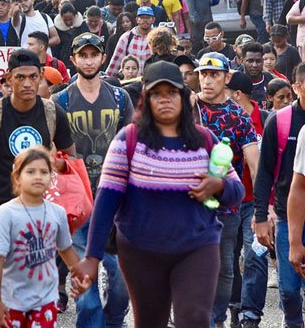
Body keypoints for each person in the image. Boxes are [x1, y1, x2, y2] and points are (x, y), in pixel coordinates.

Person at [72, 61, 245, 327]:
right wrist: (92, 258)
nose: (165, 99)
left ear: (184, 96)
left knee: (195, 319)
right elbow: (106, 201)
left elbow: (237, 192)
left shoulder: (205, 140)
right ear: (146, 99)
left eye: (172, 92)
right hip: (141, 250)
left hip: (197, 248)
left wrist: (218, 185)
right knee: (151, 322)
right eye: (156, 94)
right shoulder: (128, 141)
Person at [0, 49, 75, 262]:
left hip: (40, 213)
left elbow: (72, 164)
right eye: (20, 77)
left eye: (33, 77)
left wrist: (54, 162)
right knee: (3, 284)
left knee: (34, 283)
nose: (27, 83)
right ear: (9, 78)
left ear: (41, 77)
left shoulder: (53, 113)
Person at [52, 32, 133, 325]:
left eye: (94, 55)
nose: (88, 61)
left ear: (102, 58)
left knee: (122, 278)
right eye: (82, 55)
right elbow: (50, 150)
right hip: (75, 202)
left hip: (113, 200)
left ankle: (114, 321)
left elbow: (131, 143)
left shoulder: (120, 97)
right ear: (73, 59)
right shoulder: (59, 100)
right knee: (84, 289)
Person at [0, 146, 91, 328]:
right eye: (30, 171)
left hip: (46, 300)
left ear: (51, 177)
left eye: (44, 172)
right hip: (12, 301)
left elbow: (66, 249)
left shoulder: (58, 212)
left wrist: (80, 276)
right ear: (17, 177)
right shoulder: (6, 213)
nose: (38, 176)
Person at [194, 52, 260, 327]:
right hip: (188, 202)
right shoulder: (187, 109)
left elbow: (254, 165)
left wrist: (261, 210)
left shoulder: (239, 117)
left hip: (228, 205)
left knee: (224, 268)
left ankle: (216, 317)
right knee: (189, 264)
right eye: (203, 74)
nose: (207, 80)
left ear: (227, 77)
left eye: (214, 74)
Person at [254, 63, 305, 328]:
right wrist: (261, 216)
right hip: (288, 217)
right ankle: (293, 322)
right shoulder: (281, 121)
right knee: (288, 288)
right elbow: (264, 172)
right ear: (297, 87)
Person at [225, 71, 272, 327]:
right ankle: (235, 307)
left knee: (256, 258)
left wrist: (268, 207)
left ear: (237, 94)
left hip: (256, 202)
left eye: (227, 90)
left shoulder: (265, 119)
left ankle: (251, 315)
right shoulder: (223, 116)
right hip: (230, 201)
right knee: (229, 258)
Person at [105, 6, 155, 77]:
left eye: (147, 18)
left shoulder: (158, 38)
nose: (144, 20)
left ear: (153, 19)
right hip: (130, 84)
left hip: (150, 83)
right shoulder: (126, 38)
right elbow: (115, 64)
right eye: (142, 18)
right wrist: (106, 81)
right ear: (137, 19)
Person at [241, 42, 276, 109]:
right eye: (250, 61)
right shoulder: (237, 82)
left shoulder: (270, 79)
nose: (254, 65)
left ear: (262, 61)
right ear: (243, 61)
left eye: (258, 61)